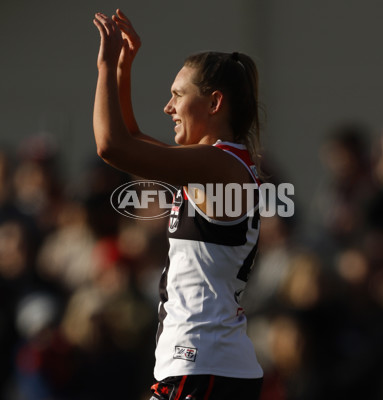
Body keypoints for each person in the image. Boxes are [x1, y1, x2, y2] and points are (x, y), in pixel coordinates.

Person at [92, 9, 264, 400]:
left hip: (203, 365)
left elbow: (111, 145)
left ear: (214, 103)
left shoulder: (219, 165)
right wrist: (123, 68)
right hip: (206, 366)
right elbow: (131, 136)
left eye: (177, 96)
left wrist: (103, 67)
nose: (168, 108)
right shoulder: (218, 162)